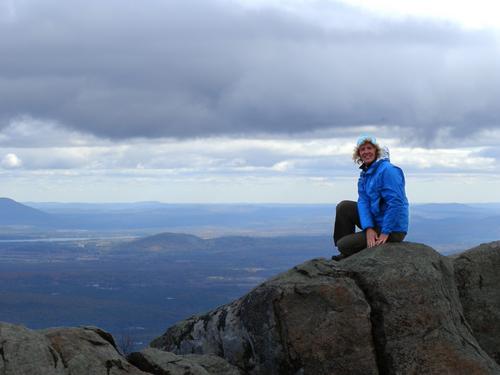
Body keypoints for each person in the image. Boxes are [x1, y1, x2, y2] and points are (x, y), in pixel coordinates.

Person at [332, 134, 409, 261]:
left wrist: (385, 232)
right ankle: (345, 254)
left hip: (393, 228)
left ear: (376, 151)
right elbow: (363, 202)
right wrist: (368, 228)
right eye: (362, 149)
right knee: (344, 207)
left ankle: (346, 250)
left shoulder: (388, 170)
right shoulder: (366, 174)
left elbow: (396, 203)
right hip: (376, 222)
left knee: (344, 245)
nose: (366, 152)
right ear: (358, 154)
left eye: (369, 148)